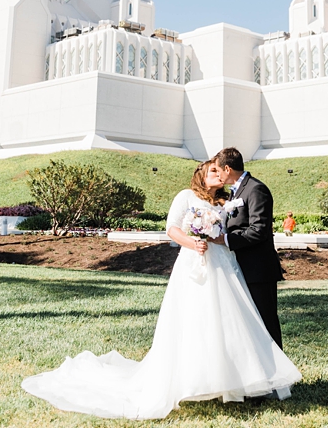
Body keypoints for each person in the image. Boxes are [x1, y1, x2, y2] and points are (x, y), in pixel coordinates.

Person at [21, 160, 300, 419]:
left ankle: (229, 380)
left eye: (220, 171)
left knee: (227, 321)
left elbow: (228, 232)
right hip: (193, 264)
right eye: (213, 171)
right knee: (193, 320)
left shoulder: (225, 201)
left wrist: (215, 238)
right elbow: (172, 229)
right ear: (201, 176)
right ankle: (190, 380)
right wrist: (194, 243)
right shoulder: (185, 197)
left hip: (224, 266)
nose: (219, 175)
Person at [212, 146, 285, 349]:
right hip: (239, 268)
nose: (217, 175)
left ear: (227, 168)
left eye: (218, 170)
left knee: (266, 322)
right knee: (249, 325)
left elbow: (259, 230)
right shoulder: (234, 193)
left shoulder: (256, 189)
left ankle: (279, 374)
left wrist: (225, 240)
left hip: (258, 269)